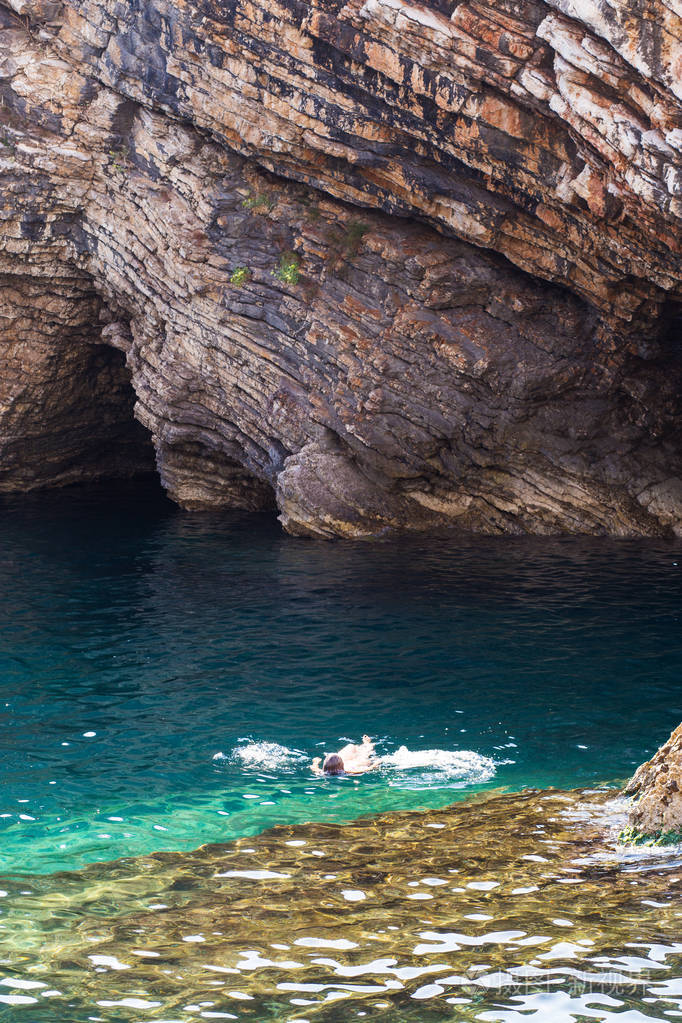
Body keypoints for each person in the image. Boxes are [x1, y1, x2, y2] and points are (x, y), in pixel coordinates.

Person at [311, 735, 378, 776]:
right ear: (341, 763)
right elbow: (369, 768)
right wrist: (378, 762)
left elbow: (314, 768)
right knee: (363, 755)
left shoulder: (322, 773)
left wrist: (315, 762)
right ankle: (367, 744)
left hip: (346, 765)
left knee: (351, 746)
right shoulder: (349, 772)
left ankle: (364, 746)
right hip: (351, 766)